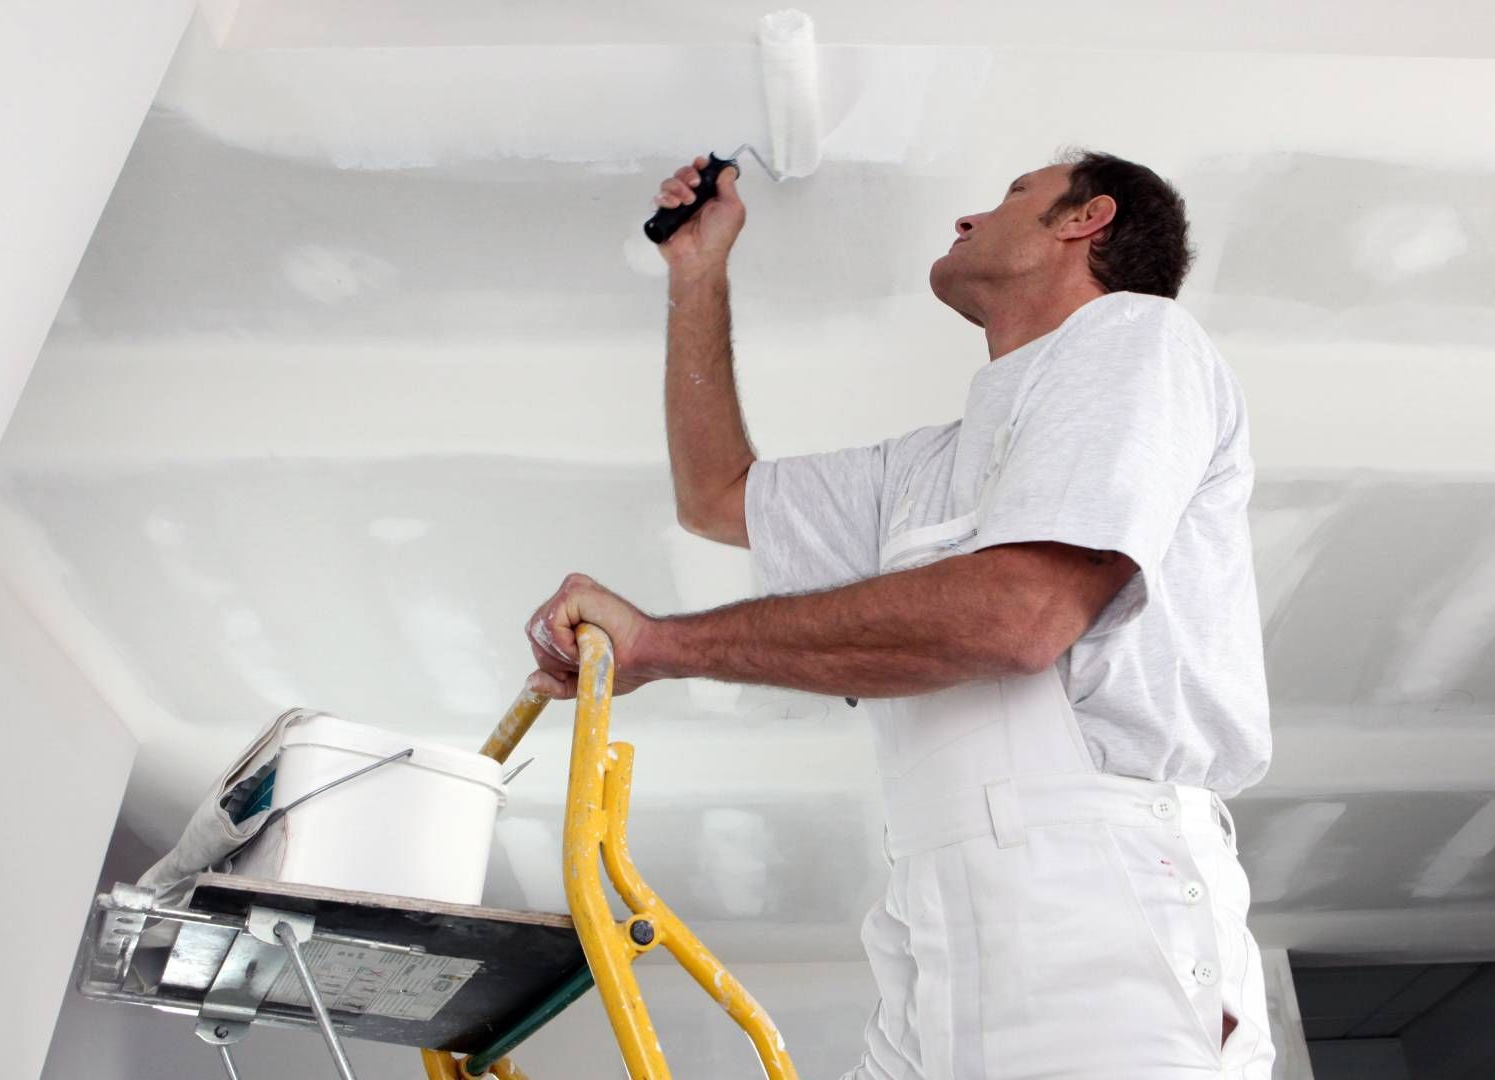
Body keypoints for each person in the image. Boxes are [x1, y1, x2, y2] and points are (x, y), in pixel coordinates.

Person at [524, 149, 1275, 1079]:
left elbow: (1020, 618)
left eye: (1012, 195)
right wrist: (699, 273)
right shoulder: (923, 474)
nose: (967, 219)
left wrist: (666, 645)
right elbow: (717, 496)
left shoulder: (1136, 340)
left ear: (1087, 221)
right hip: (937, 913)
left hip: (1100, 908)